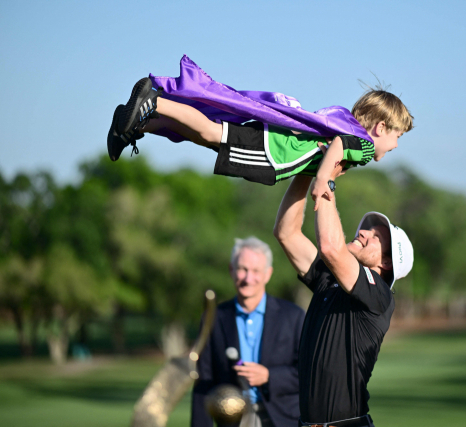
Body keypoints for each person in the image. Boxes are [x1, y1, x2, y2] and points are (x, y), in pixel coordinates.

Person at [107, 55, 413, 205]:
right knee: (212, 133)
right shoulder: (364, 147)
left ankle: (136, 123)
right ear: (380, 127)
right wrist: (325, 182)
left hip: (272, 144)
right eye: (397, 136)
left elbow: (328, 147)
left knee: (202, 136)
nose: (396, 145)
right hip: (271, 151)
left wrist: (322, 173)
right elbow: (336, 147)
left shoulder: (345, 123)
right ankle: (155, 104)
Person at [273, 175, 414, 427]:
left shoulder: (379, 295)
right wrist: (306, 171)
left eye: (376, 237)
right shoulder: (329, 279)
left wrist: (326, 179)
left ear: (387, 263)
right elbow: (286, 233)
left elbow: (330, 247)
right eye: (368, 230)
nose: (363, 232)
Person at [191, 237, 306, 427]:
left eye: (255, 271)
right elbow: (203, 381)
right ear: (231, 270)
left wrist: (269, 376)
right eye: (242, 269)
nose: (248, 278)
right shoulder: (213, 318)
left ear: (268, 274)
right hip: (232, 419)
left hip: (283, 418)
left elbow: (308, 374)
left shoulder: (293, 316)